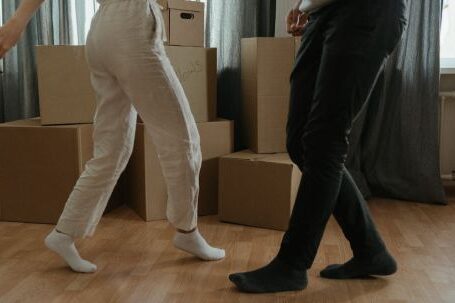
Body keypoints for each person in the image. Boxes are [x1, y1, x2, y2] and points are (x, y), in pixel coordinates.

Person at [0, 0, 225, 273]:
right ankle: (187, 231)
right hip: (132, 23)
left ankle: (64, 233)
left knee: (112, 149)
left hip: (102, 30)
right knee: (182, 139)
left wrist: (17, 21)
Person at [229, 0, 407, 293]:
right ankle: (371, 251)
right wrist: (304, 3)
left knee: (325, 139)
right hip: (321, 12)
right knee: (300, 142)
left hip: (367, 11)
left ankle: (291, 264)